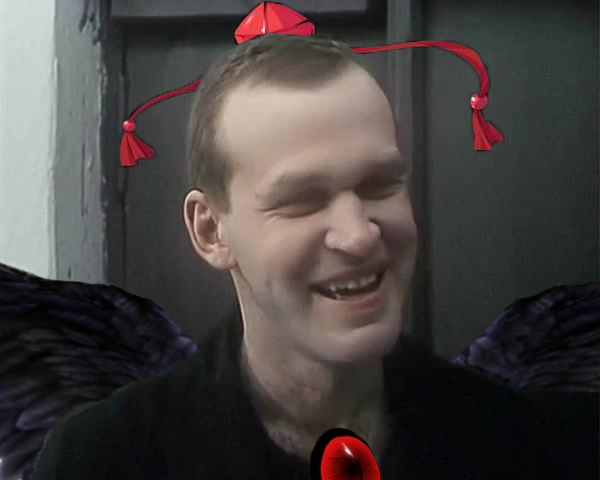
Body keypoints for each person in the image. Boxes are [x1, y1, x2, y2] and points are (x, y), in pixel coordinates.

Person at [31, 34, 589, 480]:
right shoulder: (103, 461)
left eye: (379, 184)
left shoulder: (542, 448)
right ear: (211, 230)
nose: (358, 236)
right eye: (301, 200)